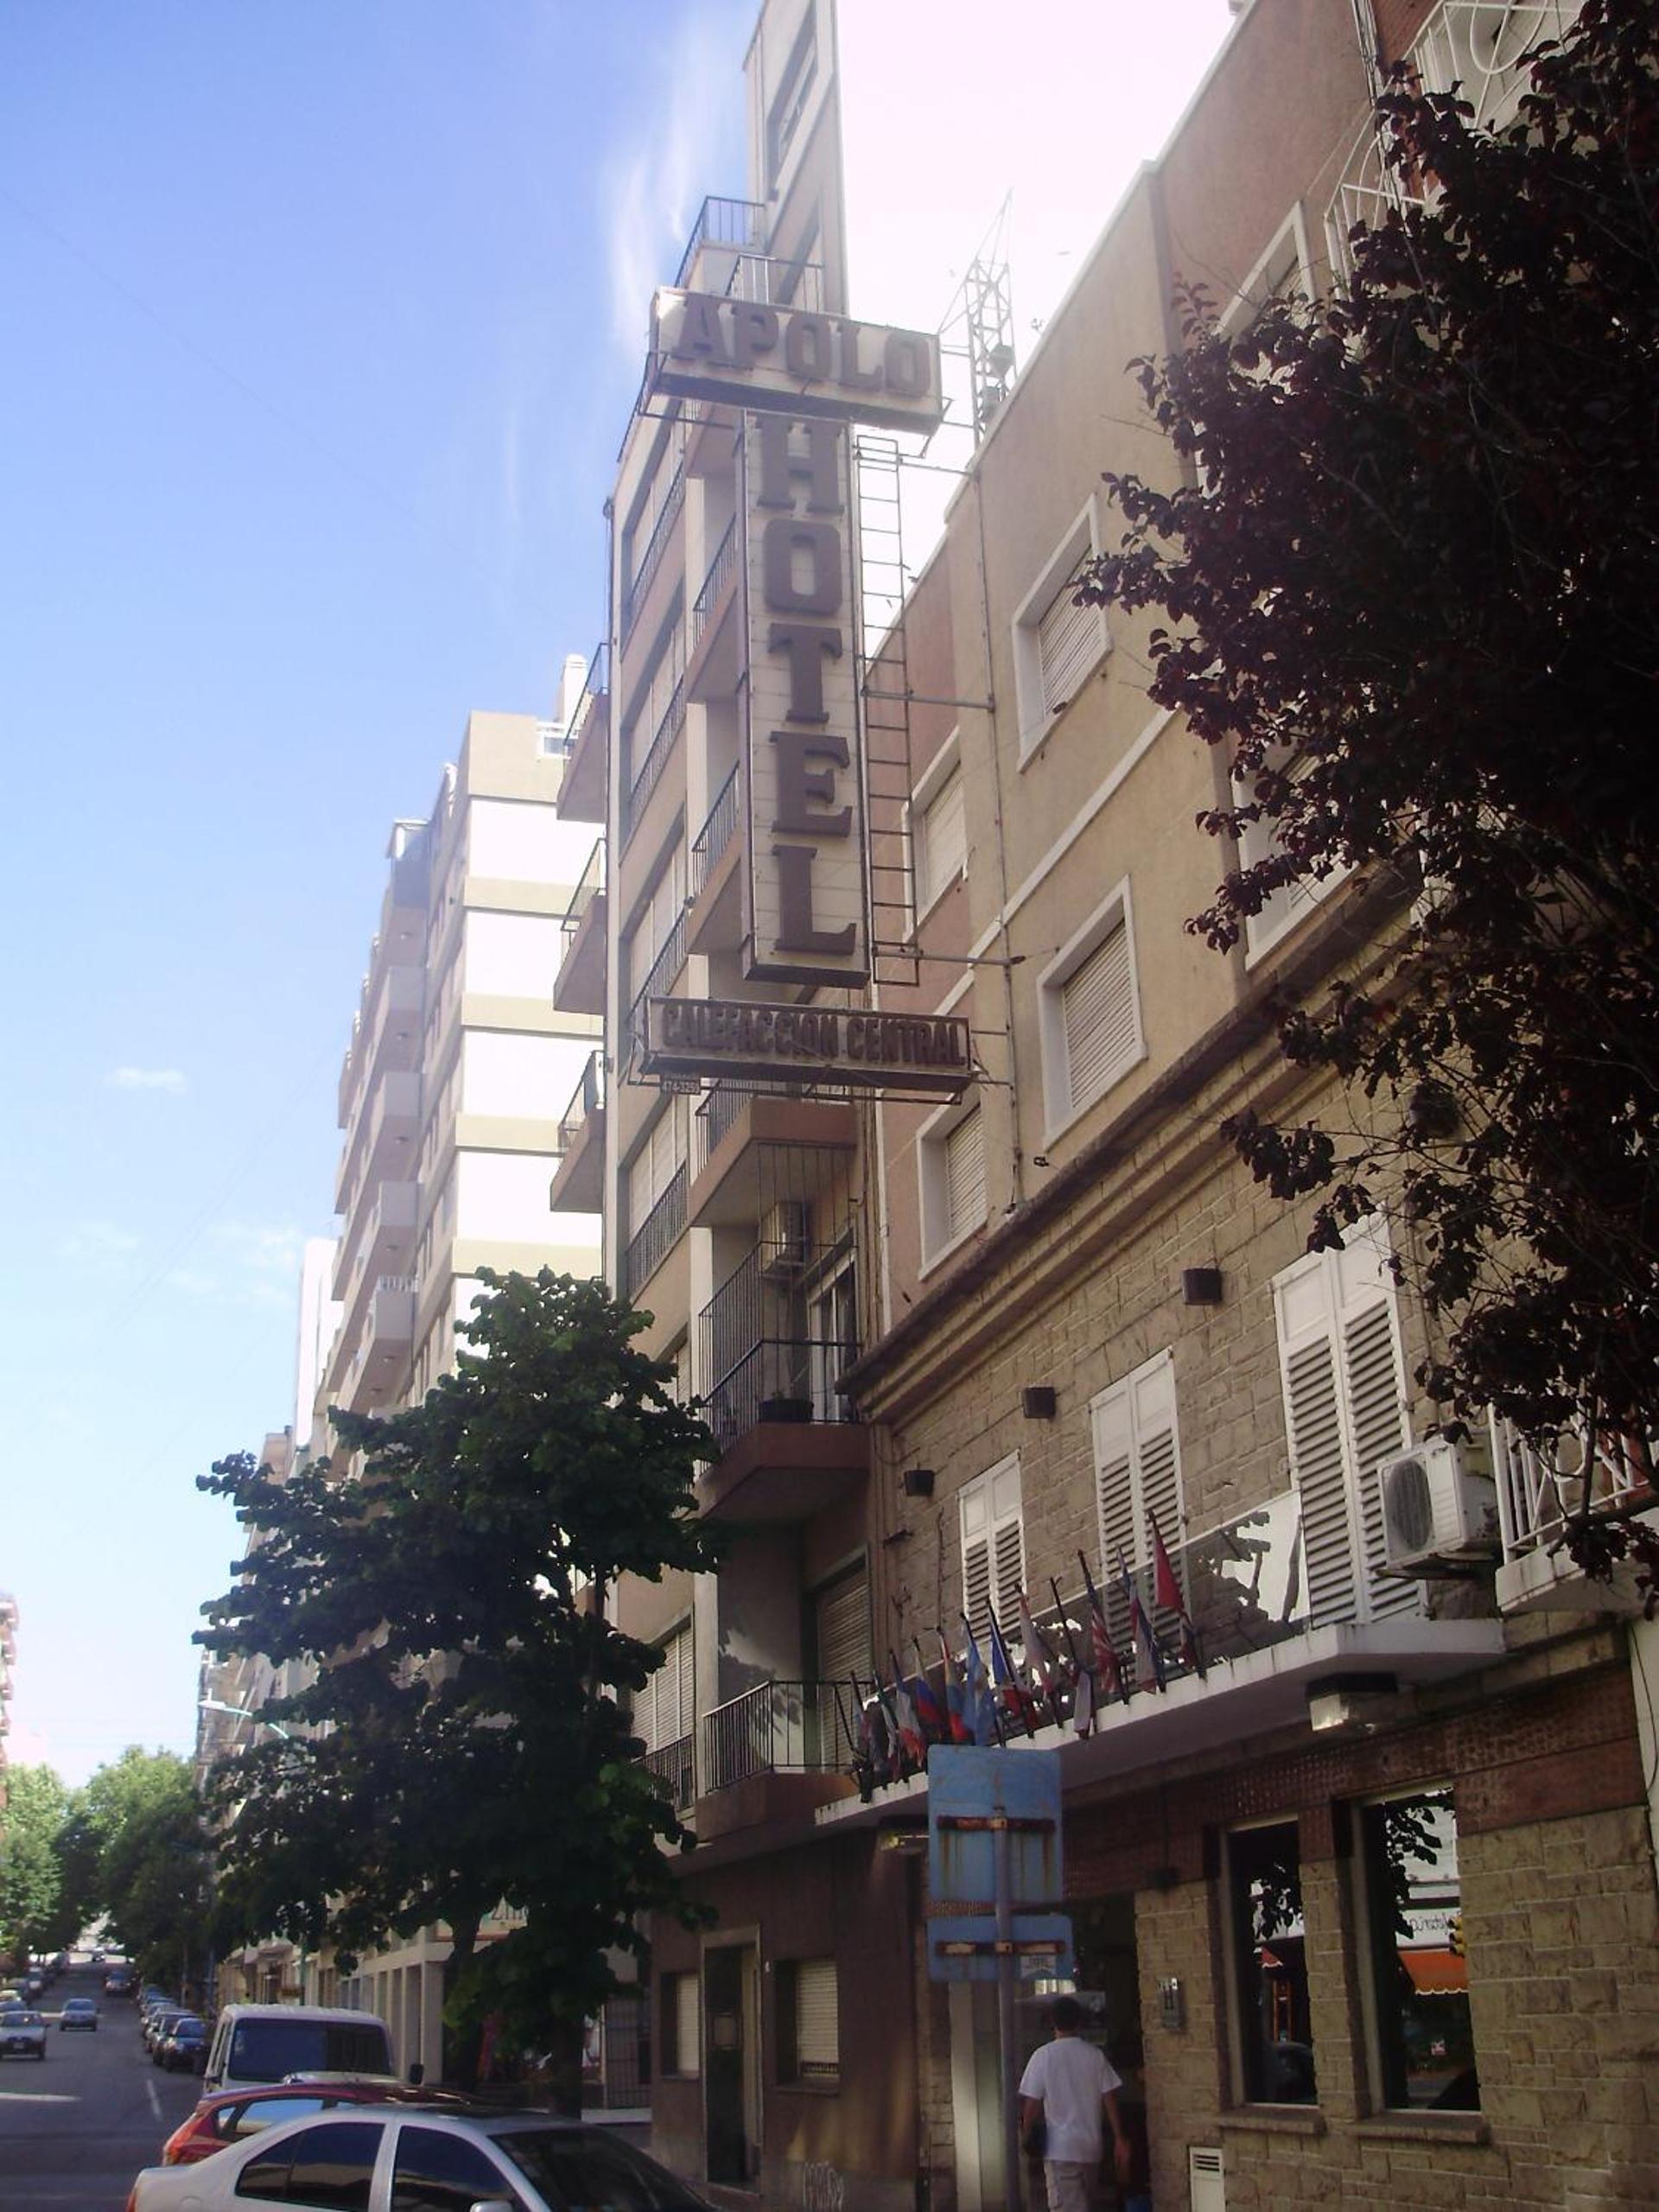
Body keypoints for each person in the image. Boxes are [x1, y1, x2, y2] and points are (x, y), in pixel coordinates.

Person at [1017, 1995, 1133, 2212]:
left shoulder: (1043, 2056)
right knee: (1085, 2204)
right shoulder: (1095, 2056)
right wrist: (1119, 2137)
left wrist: (1026, 2134)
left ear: (1052, 2021)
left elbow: (1031, 2104)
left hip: (1060, 2149)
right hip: (1091, 2148)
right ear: (1079, 2022)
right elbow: (1109, 2098)